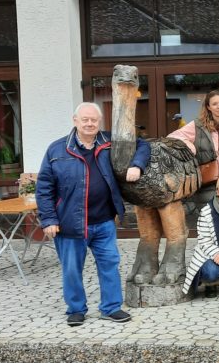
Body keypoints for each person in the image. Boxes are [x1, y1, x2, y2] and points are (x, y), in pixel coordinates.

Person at [36, 102, 148, 327]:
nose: (89, 123)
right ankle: (76, 309)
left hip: (104, 221)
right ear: (75, 120)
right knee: (71, 270)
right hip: (70, 224)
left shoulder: (109, 143)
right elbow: (44, 187)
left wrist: (137, 165)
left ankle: (111, 307)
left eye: (94, 120)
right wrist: (48, 219)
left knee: (109, 265)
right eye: (85, 119)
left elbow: (142, 144)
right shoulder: (56, 150)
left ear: (100, 122)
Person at [167, 89, 219, 210]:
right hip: (213, 183)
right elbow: (173, 137)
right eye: (215, 104)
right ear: (208, 107)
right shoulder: (197, 125)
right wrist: (189, 145)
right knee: (214, 222)